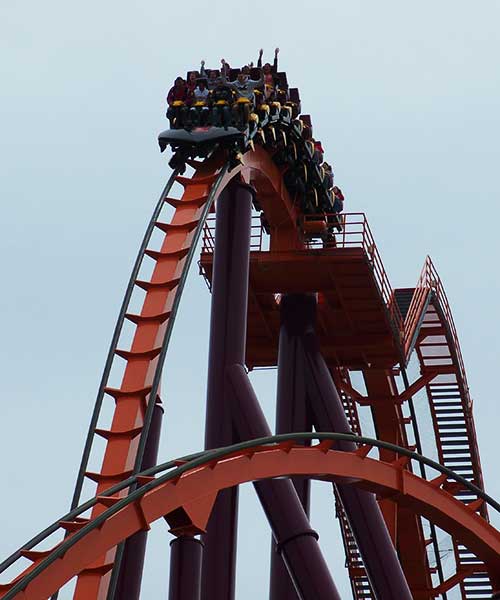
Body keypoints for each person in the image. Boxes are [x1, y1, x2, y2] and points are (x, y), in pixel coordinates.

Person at [222, 59, 263, 128]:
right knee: (235, 107)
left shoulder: (250, 82)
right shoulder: (235, 83)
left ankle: (246, 122)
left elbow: (261, 82)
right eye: (239, 76)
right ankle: (238, 122)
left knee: (246, 106)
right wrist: (223, 74)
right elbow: (225, 83)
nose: (241, 77)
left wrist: (262, 74)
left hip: (249, 103)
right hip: (239, 103)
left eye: (242, 76)